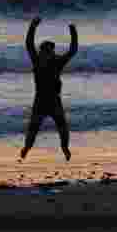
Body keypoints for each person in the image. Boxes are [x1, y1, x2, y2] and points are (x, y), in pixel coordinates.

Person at [19, 17, 78, 162]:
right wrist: (32, 26)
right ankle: (27, 148)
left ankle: (65, 148)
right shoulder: (37, 60)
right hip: (40, 102)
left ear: (51, 52)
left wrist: (73, 31)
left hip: (54, 101)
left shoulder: (56, 62)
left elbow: (72, 51)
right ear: (42, 52)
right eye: (45, 51)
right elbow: (28, 44)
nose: (47, 54)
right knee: (33, 130)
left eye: (49, 52)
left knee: (63, 128)